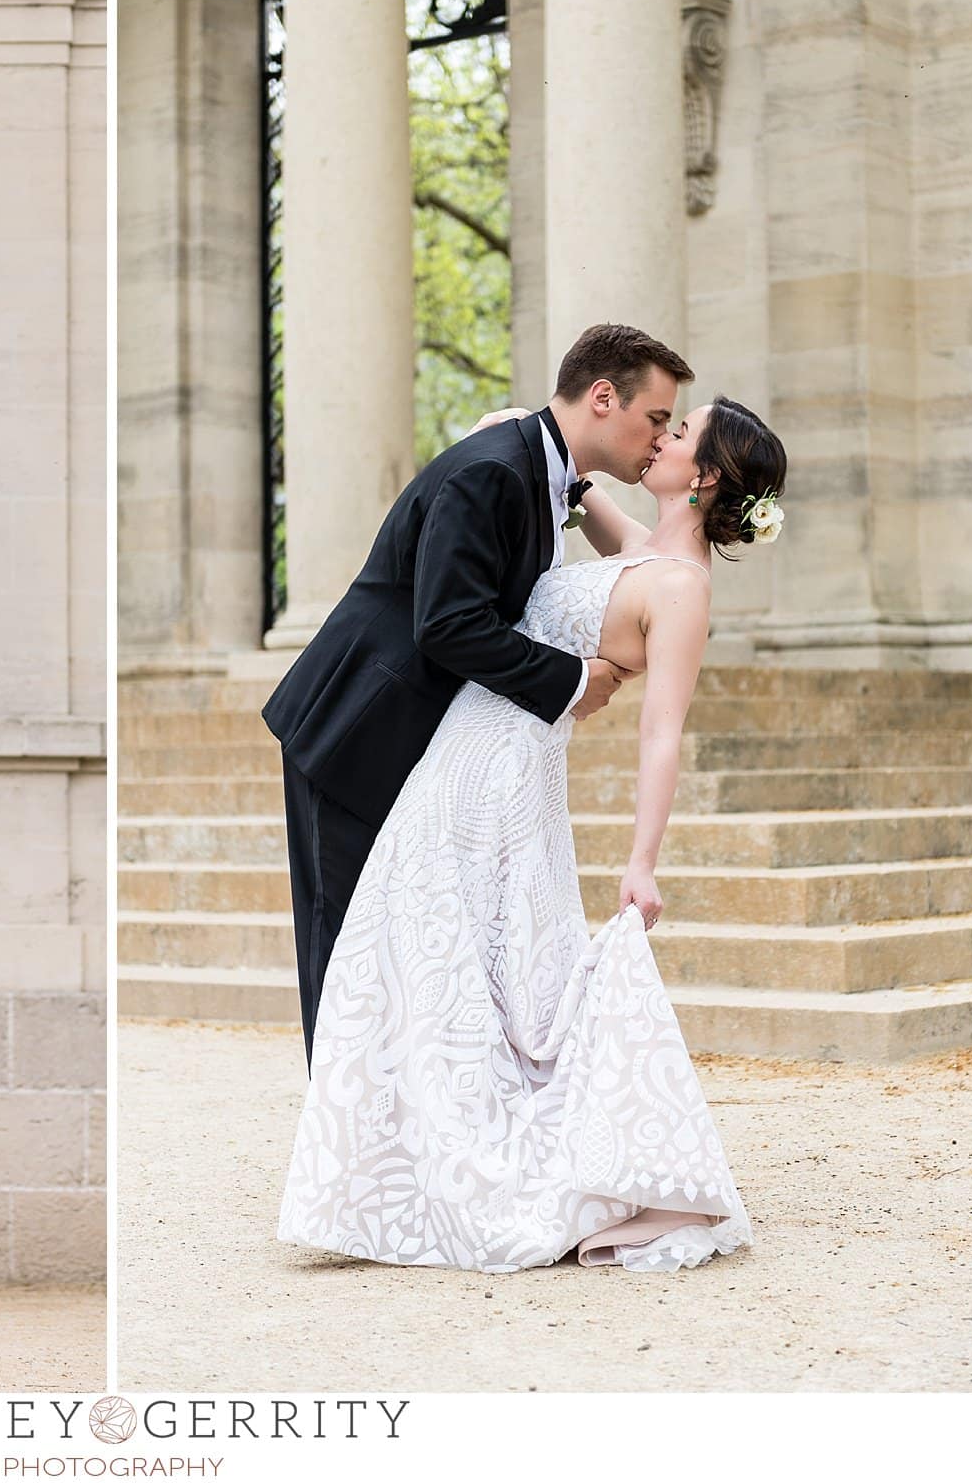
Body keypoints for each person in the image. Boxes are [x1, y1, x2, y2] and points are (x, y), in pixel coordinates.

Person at [276, 392, 787, 1272]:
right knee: (424, 954)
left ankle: (470, 1167)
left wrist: (642, 860)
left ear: (703, 477)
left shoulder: (681, 589)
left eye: (680, 432)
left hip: (510, 778)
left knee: (482, 964)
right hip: (457, 754)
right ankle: (400, 1161)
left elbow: (661, 729)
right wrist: (513, 430)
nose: (661, 437)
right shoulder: (638, 550)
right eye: (661, 420)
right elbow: (569, 473)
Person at [263, 323, 693, 1065]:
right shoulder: (495, 469)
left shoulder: (538, 468)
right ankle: (340, 1162)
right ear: (602, 398)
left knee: (398, 951)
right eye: (656, 417)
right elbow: (449, 623)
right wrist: (573, 680)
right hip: (357, 733)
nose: (659, 438)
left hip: (428, 744)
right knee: (346, 953)